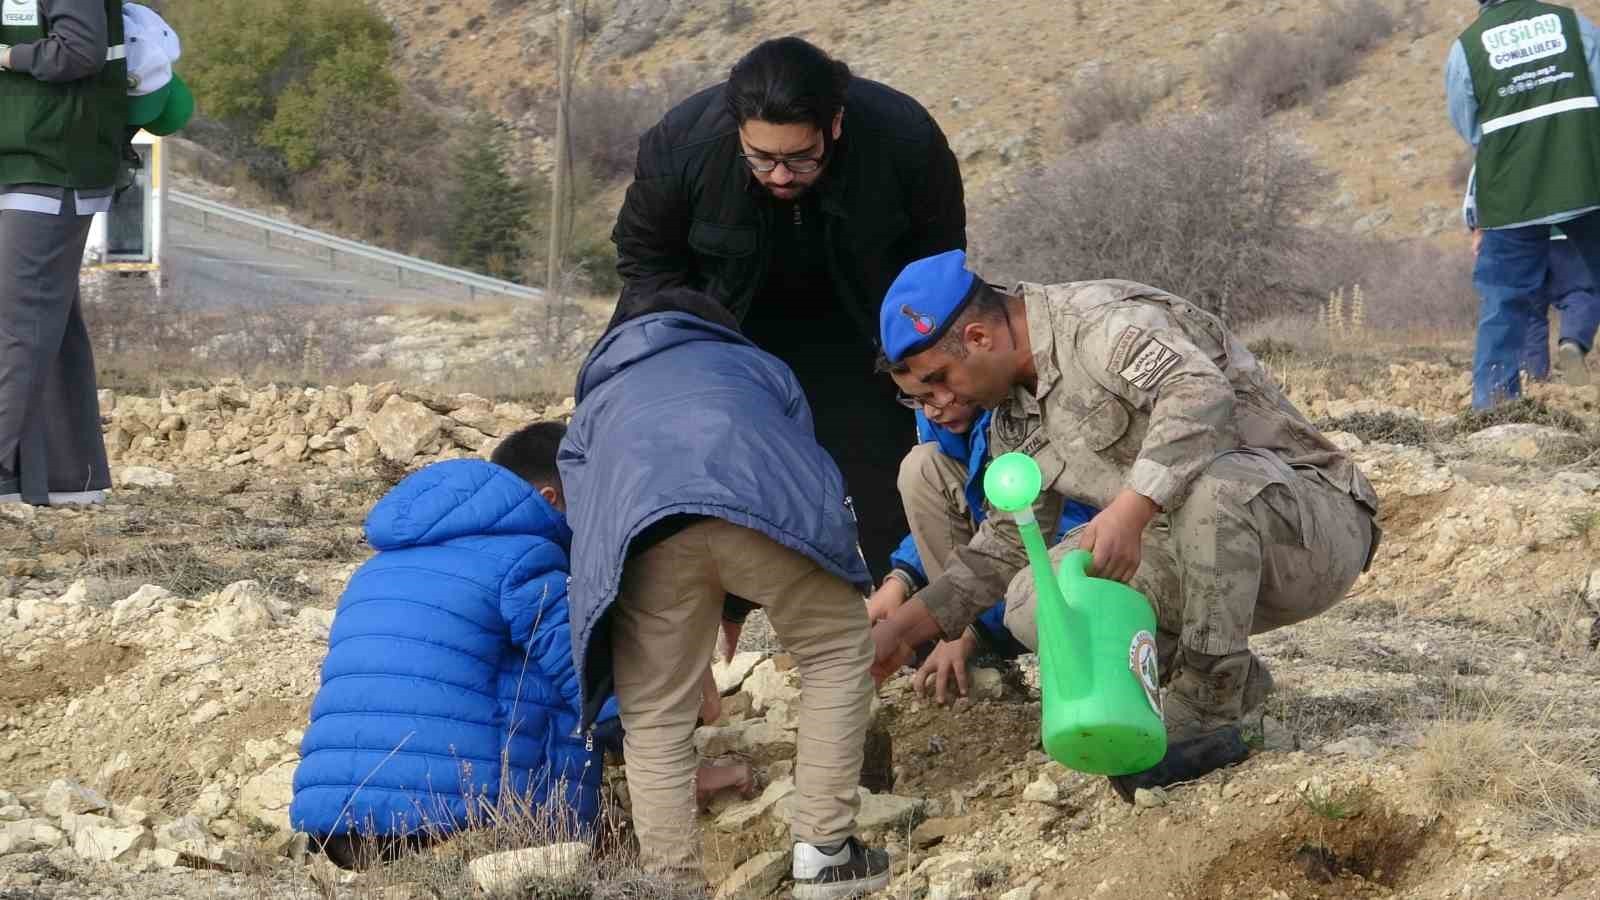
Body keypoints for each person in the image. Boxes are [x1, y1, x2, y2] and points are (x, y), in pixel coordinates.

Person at [866, 251, 1381, 800]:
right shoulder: (1013, 413)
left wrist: (1133, 507)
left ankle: (1210, 705)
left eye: (938, 382)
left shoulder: (1100, 323)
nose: (939, 404)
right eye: (920, 396)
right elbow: (1008, 544)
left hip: (1308, 528)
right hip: (1198, 551)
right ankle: (1211, 688)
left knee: (1214, 488)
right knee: (1036, 595)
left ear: (979, 337)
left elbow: (1200, 394)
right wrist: (902, 631)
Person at [290, 423, 748, 869]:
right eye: (586, 507)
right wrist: (679, 772)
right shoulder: (525, 557)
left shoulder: (377, 569)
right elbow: (587, 679)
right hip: (453, 823)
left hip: (335, 824)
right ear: (550, 498)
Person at [559, 288, 888, 898]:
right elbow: (790, 473)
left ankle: (670, 885)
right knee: (836, 648)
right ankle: (826, 852)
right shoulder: (761, 368)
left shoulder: (594, 405)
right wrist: (739, 593)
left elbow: (587, 517)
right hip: (762, 519)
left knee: (654, 713)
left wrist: (676, 619)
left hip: (645, 538)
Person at [609, 36, 966, 574]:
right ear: (737, 131)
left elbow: (939, 267)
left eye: (801, 159)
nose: (779, 175)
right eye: (761, 158)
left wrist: (928, 364)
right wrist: (685, 361)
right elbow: (646, 264)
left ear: (836, 124)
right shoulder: (680, 145)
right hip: (730, 331)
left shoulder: (903, 138)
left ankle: (904, 612)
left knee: (884, 486)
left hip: (861, 330)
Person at [867, 387, 1098, 704]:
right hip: (993, 568)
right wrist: (901, 579)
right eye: (917, 401)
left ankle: (973, 641)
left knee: (1039, 608)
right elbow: (971, 514)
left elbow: (1026, 538)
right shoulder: (947, 424)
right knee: (921, 465)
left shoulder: (1022, 415)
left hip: (1058, 555)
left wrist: (973, 631)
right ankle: (956, 641)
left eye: (935, 389)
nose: (931, 411)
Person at [0, 0, 128, 505]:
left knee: (19, 319)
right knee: (43, 320)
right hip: (19, 162)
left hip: (54, 162)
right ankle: (67, 477)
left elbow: (78, 51)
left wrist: (8, 57)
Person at [1445, 0, 1600, 408]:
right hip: (1584, 181)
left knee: (1505, 301)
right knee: (1583, 289)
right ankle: (1574, 341)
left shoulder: (1467, 48)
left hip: (1511, 196)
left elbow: (1470, 125)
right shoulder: (1572, 25)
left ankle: (1495, 406)